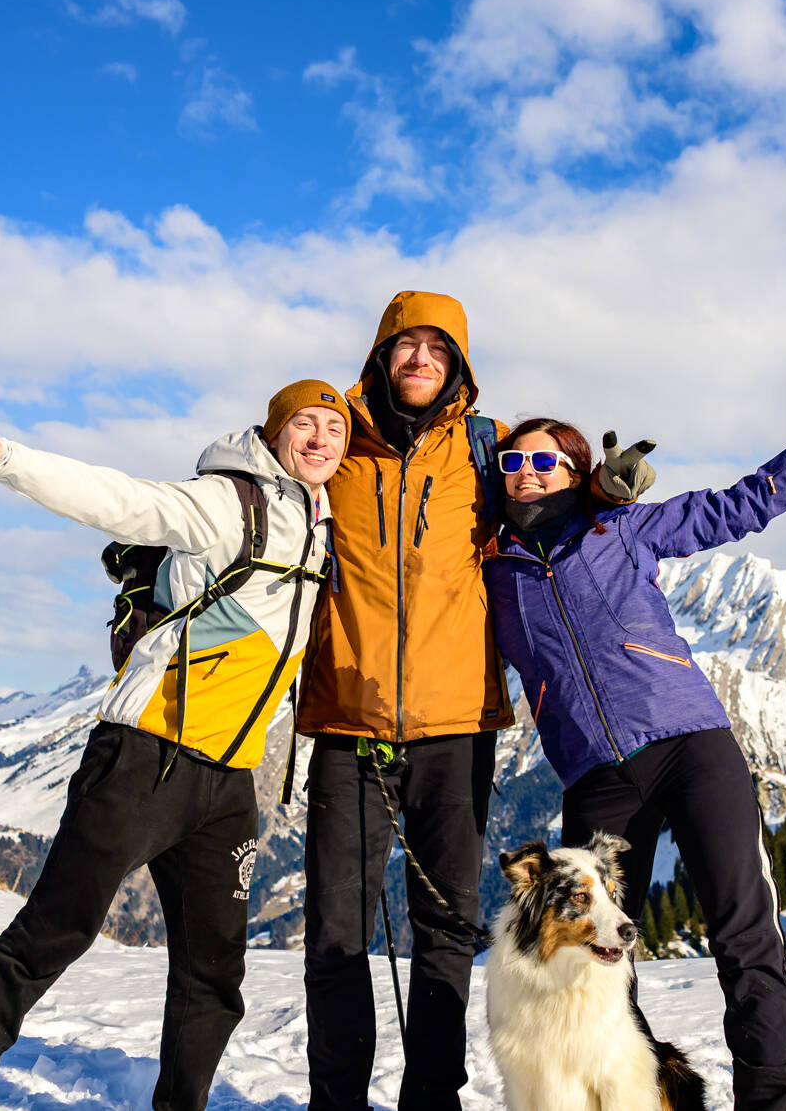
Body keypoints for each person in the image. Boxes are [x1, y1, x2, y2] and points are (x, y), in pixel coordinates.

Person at [0, 381, 350, 1111]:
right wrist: (1, 457)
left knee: (214, 974)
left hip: (228, 781)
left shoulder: (326, 522)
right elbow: (118, 499)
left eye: (332, 428)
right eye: (303, 423)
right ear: (272, 433)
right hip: (145, 755)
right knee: (56, 929)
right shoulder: (226, 502)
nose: (318, 438)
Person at [481, 388, 786, 1111]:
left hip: (690, 745)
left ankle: (768, 1102)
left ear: (574, 470)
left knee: (742, 931)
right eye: (513, 458)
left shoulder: (621, 530)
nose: (527, 471)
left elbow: (736, 505)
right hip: (596, 776)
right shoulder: (488, 565)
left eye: (546, 458)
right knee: (593, 960)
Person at [296, 290, 512, 1111]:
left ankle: (433, 1096)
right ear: (381, 354)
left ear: (457, 363)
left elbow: (555, 507)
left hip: (456, 725)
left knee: (447, 925)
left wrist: (606, 489)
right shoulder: (336, 438)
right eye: (404, 345)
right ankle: (336, 1100)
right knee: (337, 933)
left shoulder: (484, 452)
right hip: (349, 720)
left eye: (436, 347)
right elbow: (254, 467)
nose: (419, 359)